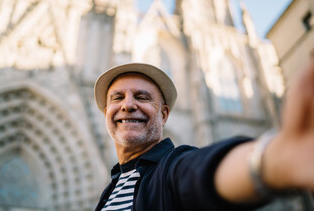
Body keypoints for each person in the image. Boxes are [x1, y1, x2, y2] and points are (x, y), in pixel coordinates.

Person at [93, 61, 314, 211]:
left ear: (163, 114)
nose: (128, 105)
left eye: (142, 97)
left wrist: (274, 161)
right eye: (117, 97)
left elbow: (201, 172)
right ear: (106, 113)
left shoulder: (171, 169)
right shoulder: (110, 189)